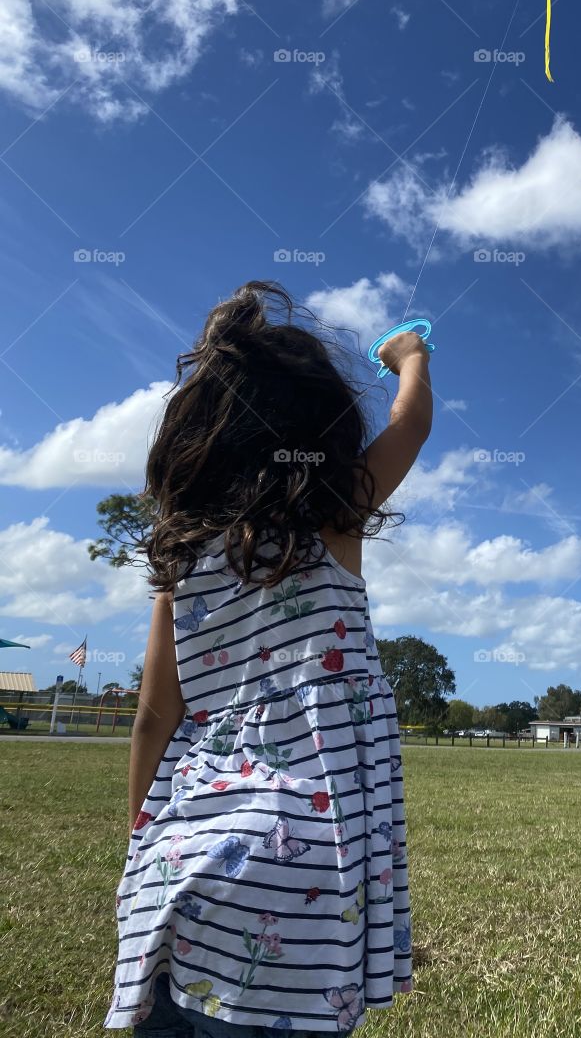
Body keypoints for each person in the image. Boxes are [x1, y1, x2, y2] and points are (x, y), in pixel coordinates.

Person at [104, 281, 433, 1037]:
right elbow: (410, 425)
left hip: (182, 862)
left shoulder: (184, 566)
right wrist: (409, 356)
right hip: (307, 875)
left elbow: (156, 716)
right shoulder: (336, 516)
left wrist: (141, 831)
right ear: (328, 430)